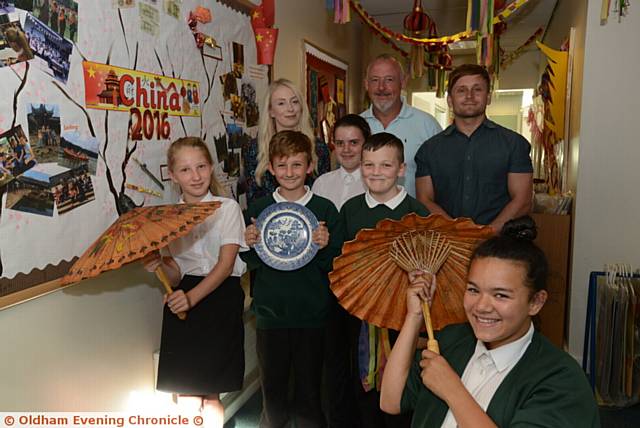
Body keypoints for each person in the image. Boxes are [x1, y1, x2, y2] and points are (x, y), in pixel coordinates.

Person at [380, 216, 600, 427]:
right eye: (473, 290)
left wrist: (452, 390)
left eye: (501, 295)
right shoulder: (451, 340)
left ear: (536, 302)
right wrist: (414, 316)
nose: (482, 306)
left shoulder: (561, 379)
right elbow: (391, 401)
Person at [141, 137, 247, 428]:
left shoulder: (227, 208)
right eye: (186, 170)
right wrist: (159, 265)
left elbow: (225, 266)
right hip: (182, 297)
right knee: (185, 392)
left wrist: (190, 298)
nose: (196, 175)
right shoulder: (168, 219)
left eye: (201, 166)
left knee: (211, 392)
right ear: (173, 176)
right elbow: (175, 272)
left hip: (220, 296)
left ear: (211, 168)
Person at [241, 130, 343, 428]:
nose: (290, 173)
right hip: (271, 316)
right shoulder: (259, 211)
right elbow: (250, 263)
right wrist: (249, 244)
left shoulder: (324, 209)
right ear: (271, 168)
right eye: (282, 165)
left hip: (313, 315)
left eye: (297, 165)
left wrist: (326, 245)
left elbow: (336, 263)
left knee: (311, 391)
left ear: (310, 166)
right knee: (272, 392)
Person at [340, 132, 429, 428]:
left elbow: (429, 264)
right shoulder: (351, 210)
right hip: (360, 316)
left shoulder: (417, 213)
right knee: (362, 388)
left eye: (386, 165)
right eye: (369, 165)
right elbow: (341, 263)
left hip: (403, 319)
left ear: (401, 169)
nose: (376, 172)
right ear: (361, 167)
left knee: (401, 387)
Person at [415, 64, 533, 232]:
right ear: (450, 100)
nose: (469, 96)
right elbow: (424, 200)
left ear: (488, 97)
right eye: (461, 90)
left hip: (500, 247)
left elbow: (523, 201)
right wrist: (458, 233)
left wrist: (487, 234)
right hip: (447, 244)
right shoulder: (428, 150)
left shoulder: (514, 144)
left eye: (477, 89)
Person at [361, 54, 441, 198]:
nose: (381, 87)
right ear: (366, 84)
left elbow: (442, 180)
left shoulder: (427, 125)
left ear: (403, 82)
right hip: (364, 218)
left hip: (413, 218)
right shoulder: (357, 126)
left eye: (389, 80)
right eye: (375, 80)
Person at [242, 78, 330, 204]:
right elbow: (253, 198)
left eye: (294, 102)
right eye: (281, 103)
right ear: (271, 111)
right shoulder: (255, 149)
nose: (290, 109)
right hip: (268, 219)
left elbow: (324, 195)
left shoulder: (318, 148)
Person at [312, 114, 371, 210]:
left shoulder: (376, 184)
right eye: (340, 143)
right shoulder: (321, 184)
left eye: (353, 143)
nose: (346, 149)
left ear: (367, 143)